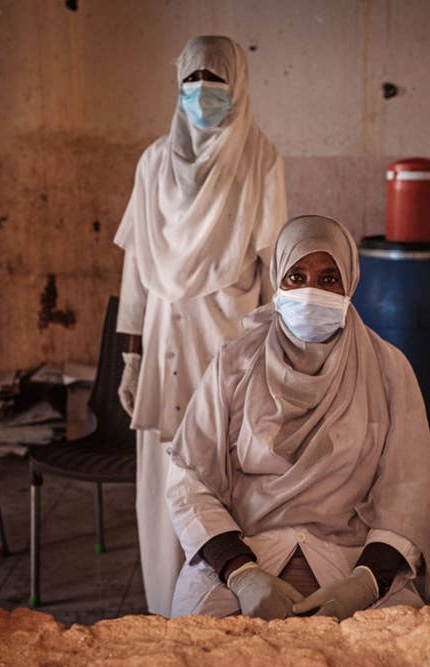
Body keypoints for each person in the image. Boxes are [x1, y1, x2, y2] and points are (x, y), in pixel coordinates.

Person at [166, 215, 430, 619]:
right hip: (246, 553)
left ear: (351, 282)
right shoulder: (235, 365)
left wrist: (366, 580)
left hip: (352, 561)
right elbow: (189, 475)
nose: (312, 292)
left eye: (329, 279)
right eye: (296, 277)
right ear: (277, 281)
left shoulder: (387, 370)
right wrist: (240, 571)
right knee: (195, 662)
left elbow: (408, 487)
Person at [114, 36, 287, 617]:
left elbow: (273, 269)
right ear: (177, 83)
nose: (202, 92)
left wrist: (273, 356)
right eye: (193, 79)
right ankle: (167, 612)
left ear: (238, 85)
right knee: (166, 480)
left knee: (224, 477)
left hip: (229, 341)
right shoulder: (153, 162)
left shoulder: (261, 159)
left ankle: (218, 612)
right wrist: (132, 355)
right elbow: (136, 266)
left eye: (215, 80)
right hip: (165, 340)